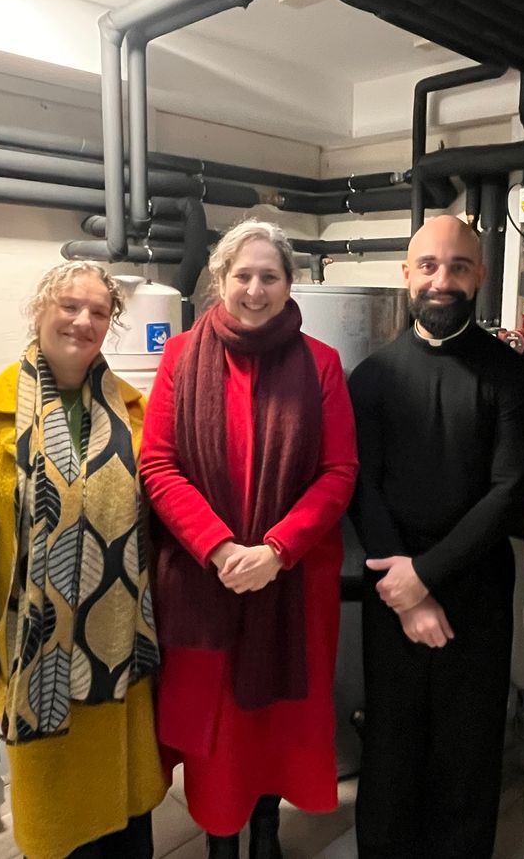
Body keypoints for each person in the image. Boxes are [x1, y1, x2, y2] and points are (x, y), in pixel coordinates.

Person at [0, 261, 166, 859]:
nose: (83, 320)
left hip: (121, 646)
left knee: (125, 819)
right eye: (69, 306)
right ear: (39, 310)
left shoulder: (137, 412)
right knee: (59, 817)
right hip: (35, 649)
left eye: (98, 311)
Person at [140, 219, 358, 859]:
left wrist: (277, 550)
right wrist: (218, 546)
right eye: (243, 275)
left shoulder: (320, 363)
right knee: (218, 727)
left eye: (270, 276)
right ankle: (220, 841)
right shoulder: (181, 356)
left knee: (274, 723)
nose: (255, 290)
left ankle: (266, 832)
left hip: (290, 582)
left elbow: (338, 472)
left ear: (290, 284)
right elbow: (159, 464)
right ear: (220, 279)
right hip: (203, 579)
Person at [347, 214, 524, 858]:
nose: (442, 280)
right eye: (428, 265)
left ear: (480, 275)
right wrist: (405, 591)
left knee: (468, 748)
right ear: (406, 274)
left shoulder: (511, 376)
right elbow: (361, 486)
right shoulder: (371, 377)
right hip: (390, 586)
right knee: (391, 740)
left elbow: (509, 490)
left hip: (475, 588)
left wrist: (425, 578)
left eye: (459, 266)